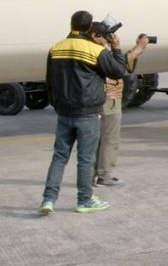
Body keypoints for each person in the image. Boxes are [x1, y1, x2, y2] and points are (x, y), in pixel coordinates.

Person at [38, 11, 130, 215]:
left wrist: (57, 104)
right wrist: (115, 49)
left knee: (59, 157)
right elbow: (118, 72)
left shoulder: (56, 48)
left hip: (64, 112)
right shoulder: (95, 50)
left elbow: (49, 81)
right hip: (88, 113)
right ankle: (84, 200)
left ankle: (48, 200)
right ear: (89, 28)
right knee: (85, 159)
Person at [93, 27, 149, 187]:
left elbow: (122, 65)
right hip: (108, 100)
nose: (108, 38)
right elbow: (119, 67)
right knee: (110, 139)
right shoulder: (99, 53)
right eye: (105, 35)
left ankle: (91, 175)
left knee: (95, 140)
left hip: (100, 99)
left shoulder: (90, 51)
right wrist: (138, 49)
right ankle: (104, 176)